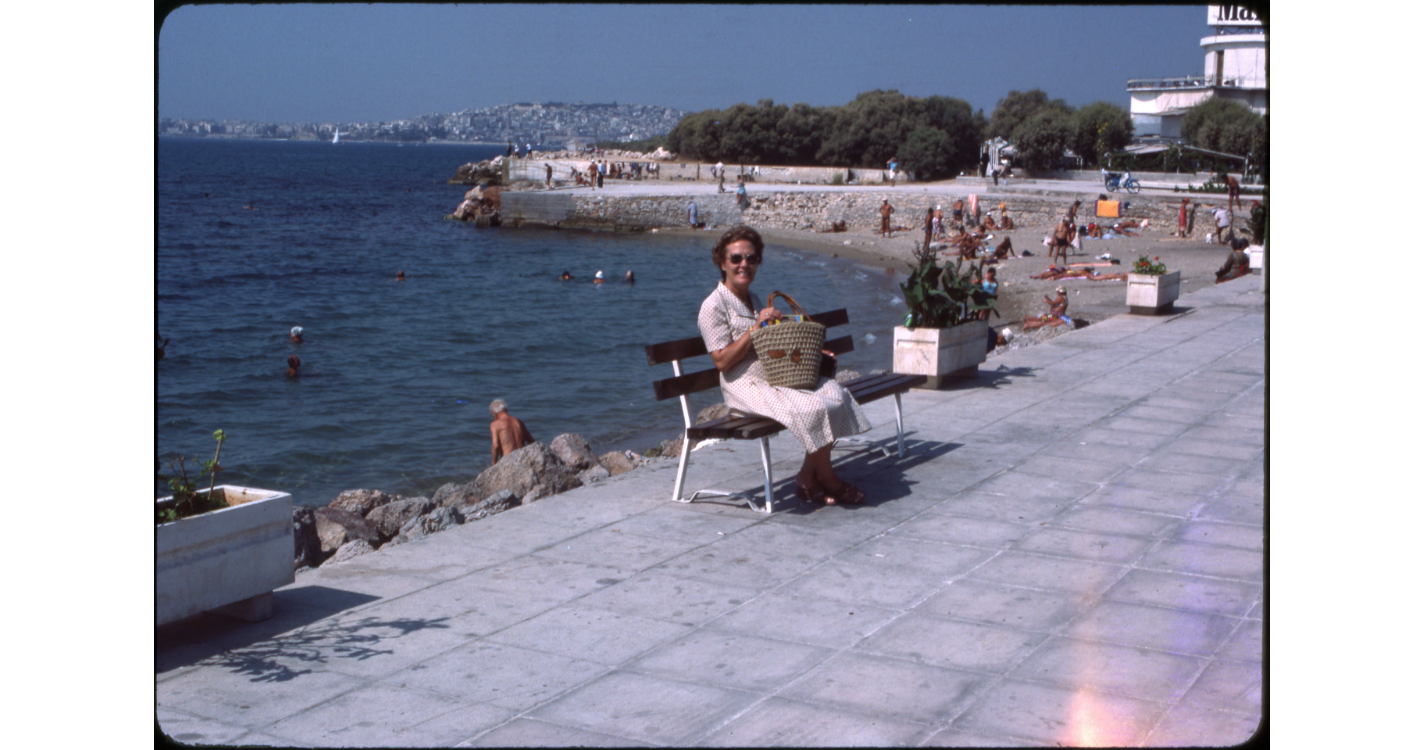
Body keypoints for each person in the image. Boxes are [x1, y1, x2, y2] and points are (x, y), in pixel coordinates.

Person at [698, 226, 872, 506]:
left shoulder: (753, 299)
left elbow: (770, 344)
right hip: (743, 384)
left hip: (773, 376)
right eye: (736, 258)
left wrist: (805, 348)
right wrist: (755, 328)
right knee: (812, 406)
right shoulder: (714, 305)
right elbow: (721, 361)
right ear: (722, 263)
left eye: (751, 259)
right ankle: (829, 479)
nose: (744, 264)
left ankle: (806, 477)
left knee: (832, 395)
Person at [488, 399, 535, 466]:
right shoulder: (518, 422)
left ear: (494, 413)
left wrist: (493, 464)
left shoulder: (495, 424)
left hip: (508, 461)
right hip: (522, 458)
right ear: (506, 410)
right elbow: (532, 441)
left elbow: (496, 446)